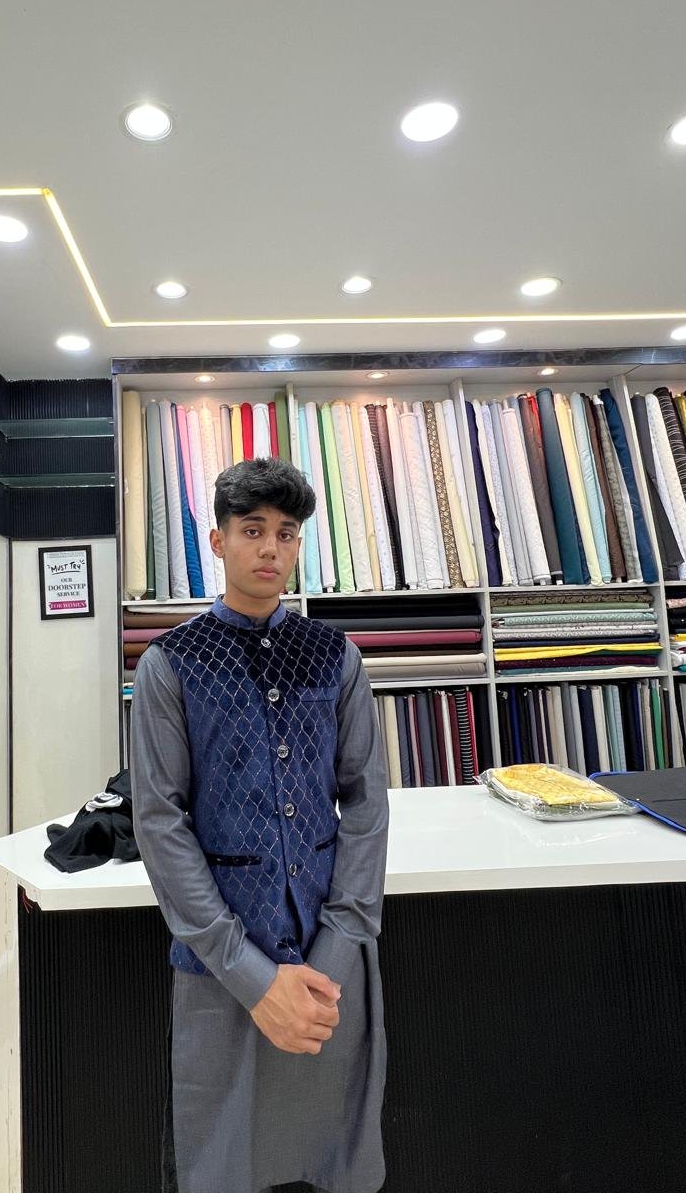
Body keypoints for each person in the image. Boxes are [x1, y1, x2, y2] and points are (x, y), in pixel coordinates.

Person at [130, 456, 390, 1193]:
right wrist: (248, 972)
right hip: (221, 959)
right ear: (218, 541)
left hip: (331, 950)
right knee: (224, 1158)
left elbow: (366, 801)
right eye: (252, 530)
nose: (270, 548)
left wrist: (341, 940)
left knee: (333, 1151)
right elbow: (159, 820)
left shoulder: (334, 656)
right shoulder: (171, 665)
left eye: (286, 533)